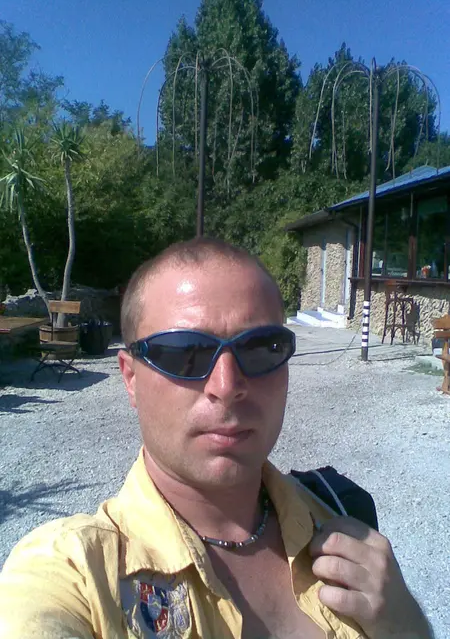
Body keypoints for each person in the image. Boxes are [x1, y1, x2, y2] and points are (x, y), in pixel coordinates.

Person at [0, 237, 433, 638]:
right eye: (184, 353)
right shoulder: (73, 574)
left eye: (261, 348)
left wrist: (405, 623)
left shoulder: (344, 525)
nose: (226, 386)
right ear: (130, 378)